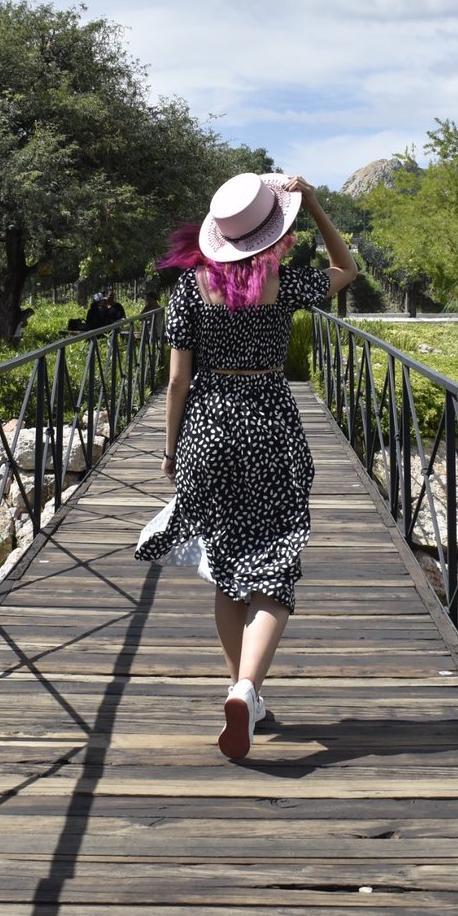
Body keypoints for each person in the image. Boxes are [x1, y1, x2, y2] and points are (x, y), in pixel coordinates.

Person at [134, 172, 357, 759]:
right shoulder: (284, 283)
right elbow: (347, 270)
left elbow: (178, 379)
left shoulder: (189, 287)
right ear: (270, 234)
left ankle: (243, 694)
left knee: (229, 566)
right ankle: (247, 687)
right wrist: (312, 205)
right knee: (274, 560)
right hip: (271, 428)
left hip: (209, 427)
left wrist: (170, 448)